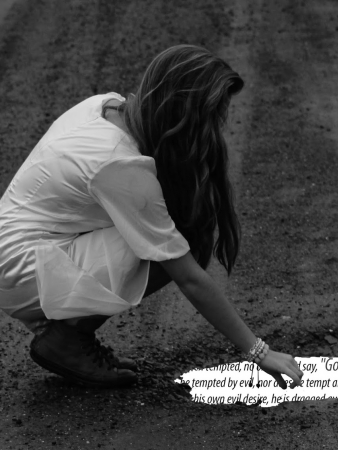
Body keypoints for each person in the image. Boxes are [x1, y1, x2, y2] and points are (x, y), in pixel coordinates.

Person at [0, 45, 303, 389]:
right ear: (184, 114)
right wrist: (259, 351)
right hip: (23, 270)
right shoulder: (119, 164)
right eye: (213, 118)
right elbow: (188, 276)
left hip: (17, 251)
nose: (218, 127)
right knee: (182, 239)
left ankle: (68, 329)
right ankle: (67, 338)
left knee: (165, 224)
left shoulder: (105, 105)